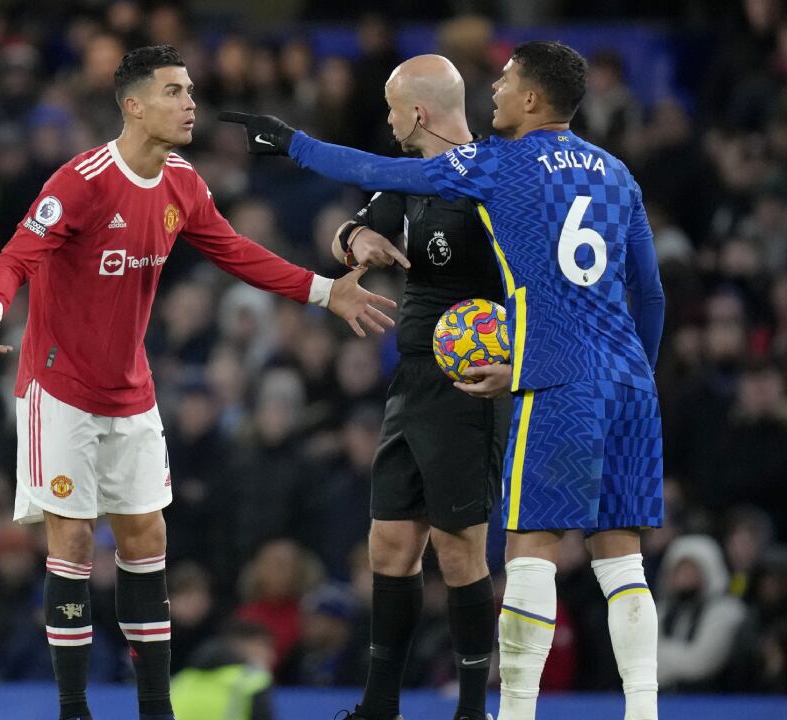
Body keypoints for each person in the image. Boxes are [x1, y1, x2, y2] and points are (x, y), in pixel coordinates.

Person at [223, 40, 665, 720]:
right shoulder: (615, 173)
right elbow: (652, 295)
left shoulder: (495, 165)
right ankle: (643, 711)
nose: (496, 90)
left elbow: (371, 166)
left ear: (532, 99)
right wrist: (641, 372)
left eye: (508, 80)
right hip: (619, 376)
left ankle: (503, 711)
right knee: (620, 561)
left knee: (526, 557)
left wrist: (291, 142)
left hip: (536, 380)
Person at [0, 45, 394, 720]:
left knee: (146, 541)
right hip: (60, 392)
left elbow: (235, 251)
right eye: (175, 91)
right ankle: (74, 707)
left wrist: (323, 292)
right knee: (74, 542)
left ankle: (155, 709)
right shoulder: (81, 181)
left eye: (192, 90)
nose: (192, 102)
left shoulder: (183, 184)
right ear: (134, 105)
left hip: (130, 391)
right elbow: (17, 253)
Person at [327, 55, 507, 720]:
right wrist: (359, 238)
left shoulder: (493, 177)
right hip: (410, 378)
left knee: (461, 548)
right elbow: (346, 230)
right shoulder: (405, 177)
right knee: (391, 543)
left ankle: (469, 710)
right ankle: (380, 705)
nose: (388, 118)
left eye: (393, 106)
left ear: (420, 113)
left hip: (470, 381)